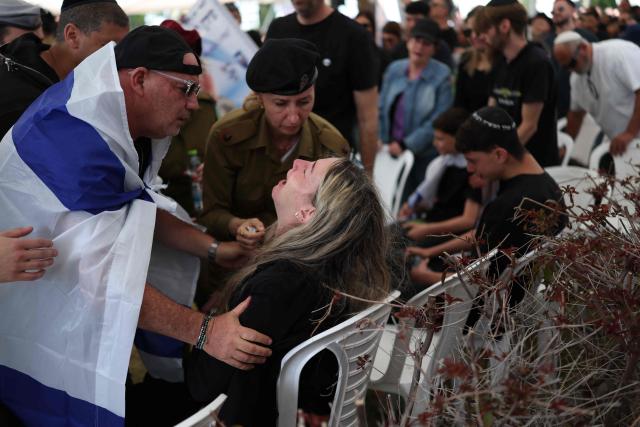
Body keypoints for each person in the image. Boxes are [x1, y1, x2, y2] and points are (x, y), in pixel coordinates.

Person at [0, 26, 271, 425]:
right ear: (140, 79)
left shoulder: (112, 121)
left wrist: (213, 249)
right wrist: (205, 332)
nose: (194, 105)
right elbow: (103, 280)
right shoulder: (79, 140)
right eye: (185, 90)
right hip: (28, 314)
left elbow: (133, 206)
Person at [186, 158, 391, 427]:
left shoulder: (278, 286)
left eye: (307, 170)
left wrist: (196, 332)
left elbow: (203, 387)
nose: (297, 162)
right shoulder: (329, 268)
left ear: (309, 214)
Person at [200, 38, 349, 247]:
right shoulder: (228, 137)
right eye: (280, 104)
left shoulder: (330, 147)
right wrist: (237, 225)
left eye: (304, 102)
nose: (294, 117)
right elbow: (211, 213)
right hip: (235, 258)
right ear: (260, 98)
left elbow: (334, 224)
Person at [407, 106, 565, 286]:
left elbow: (484, 283)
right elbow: (484, 235)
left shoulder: (508, 206)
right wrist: (432, 251)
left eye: (472, 161)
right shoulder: (550, 188)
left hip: (488, 306)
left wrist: (427, 278)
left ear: (499, 154)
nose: (469, 169)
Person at [266, 0, 379, 173]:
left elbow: (368, 118)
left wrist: (368, 175)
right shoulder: (278, 29)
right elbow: (261, 93)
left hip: (331, 163)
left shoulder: (354, 36)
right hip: (279, 159)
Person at [0, 0, 129, 137]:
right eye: (108, 47)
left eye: (122, 49)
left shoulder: (88, 84)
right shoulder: (15, 91)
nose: (116, 57)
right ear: (72, 36)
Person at [473, 0, 559, 167]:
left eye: (486, 29)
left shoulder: (537, 62)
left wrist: (495, 160)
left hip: (532, 164)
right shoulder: (500, 60)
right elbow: (491, 110)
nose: (483, 36)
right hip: (506, 158)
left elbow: (529, 126)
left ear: (504, 26)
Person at [379, 18, 453, 198]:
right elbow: (381, 108)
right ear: (408, 42)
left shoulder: (442, 74)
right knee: (387, 198)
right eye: (416, 40)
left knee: (414, 206)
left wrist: (406, 144)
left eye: (426, 43)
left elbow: (438, 119)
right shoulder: (394, 69)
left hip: (424, 156)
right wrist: (381, 139)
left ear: (434, 48)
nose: (419, 47)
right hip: (389, 151)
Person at [553, 31, 640, 167]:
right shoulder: (577, 79)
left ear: (582, 48)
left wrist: (630, 132)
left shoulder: (618, 54)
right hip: (620, 142)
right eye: (565, 67)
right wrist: (566, 145)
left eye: (571, 63)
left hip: (632, 136)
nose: (570, 70)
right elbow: (576, 115)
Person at [157, 19, 216, 217]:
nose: (192, 104)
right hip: (160, 213)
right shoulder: (135, 112)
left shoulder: (206, 107)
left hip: (202, 209)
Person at [400, 108, 481, 247]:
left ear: (458, 138)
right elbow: (438, 203)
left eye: (440, 139)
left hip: (451, 234)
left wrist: (426, 230)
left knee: (396, 249)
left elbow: (468, 220)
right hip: (432, 223)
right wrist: (415, 207)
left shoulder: (474, 172)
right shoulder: (442, 164)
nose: (434, 143)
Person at [390, 0, 454, 69]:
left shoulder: (440, 47)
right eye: (408, 20)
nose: (411, 25)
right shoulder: (399, 48)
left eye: (417, 20)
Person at [455, 6, 495, 113]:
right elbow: (459, 104)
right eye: (468, 32)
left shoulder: (505, 63)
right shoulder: (466, 59)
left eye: (478, 31)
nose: (473, 36)